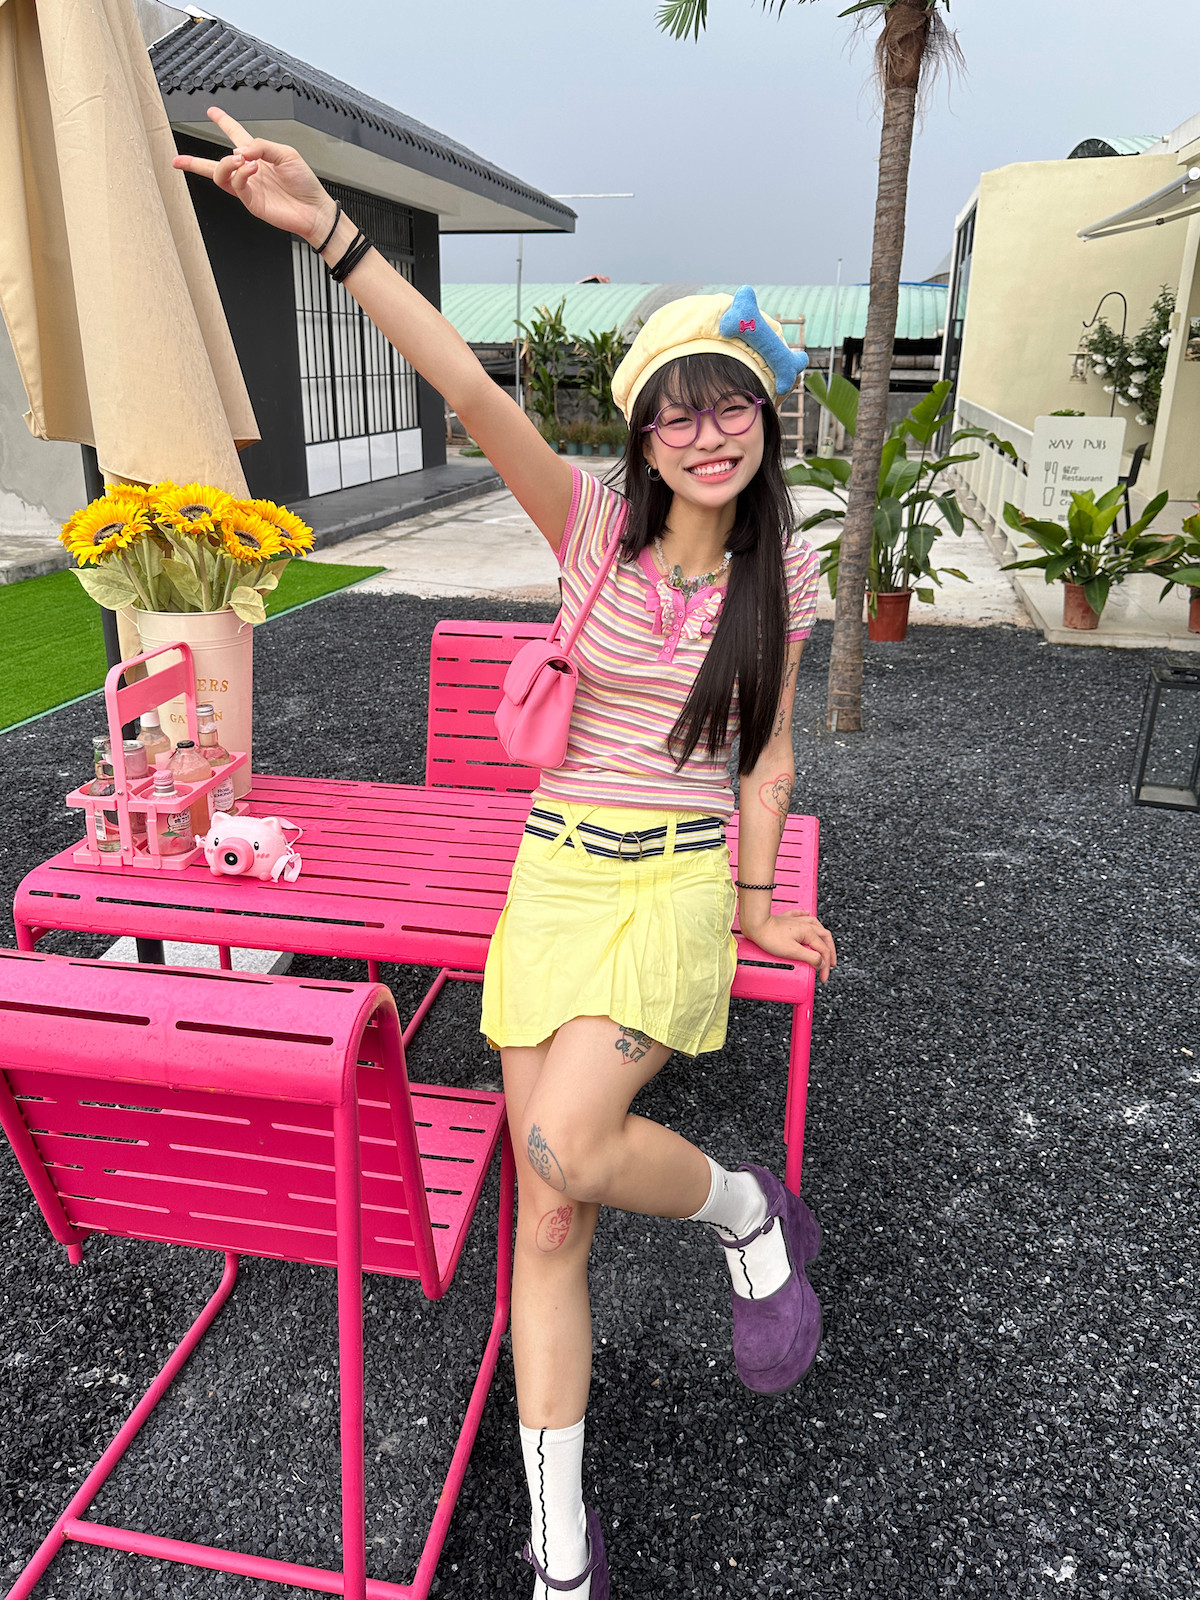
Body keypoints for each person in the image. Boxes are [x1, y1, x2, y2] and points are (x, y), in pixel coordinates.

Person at [175, 108, 838, 1600]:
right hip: (554, 874)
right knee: (546, 1219)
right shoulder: (591, 530)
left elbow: (768, 756)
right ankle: (558, 1544)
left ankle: (747, 1209)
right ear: (642, 436)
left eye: (732, 408)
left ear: (765, 423)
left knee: (567, 1147)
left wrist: (753, 902)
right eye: (678, 414)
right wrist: (331, 232)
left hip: (670, 882)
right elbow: (466, 384)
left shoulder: (785, 571)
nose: (710, 435)